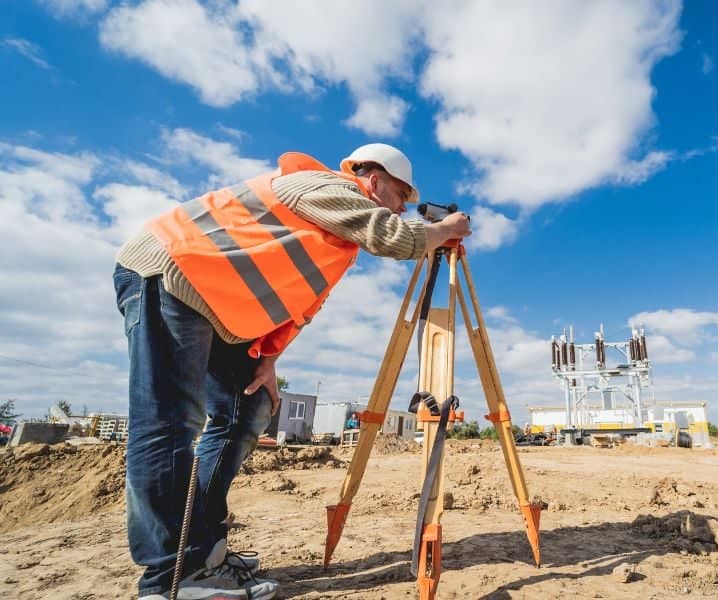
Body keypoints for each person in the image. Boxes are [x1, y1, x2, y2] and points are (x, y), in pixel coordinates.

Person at [113, 143, 471, 600]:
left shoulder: (336, 241)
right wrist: (445, 229)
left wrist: (268, 360)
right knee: (170, 423)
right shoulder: (324, 187)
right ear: (374, 179)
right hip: (172, 271)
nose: (404, 208)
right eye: (402, 195)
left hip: (217, 305)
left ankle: (205, 548)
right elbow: (393, 238)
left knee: (249, 408)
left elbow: (301, 306)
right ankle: (172, 577)